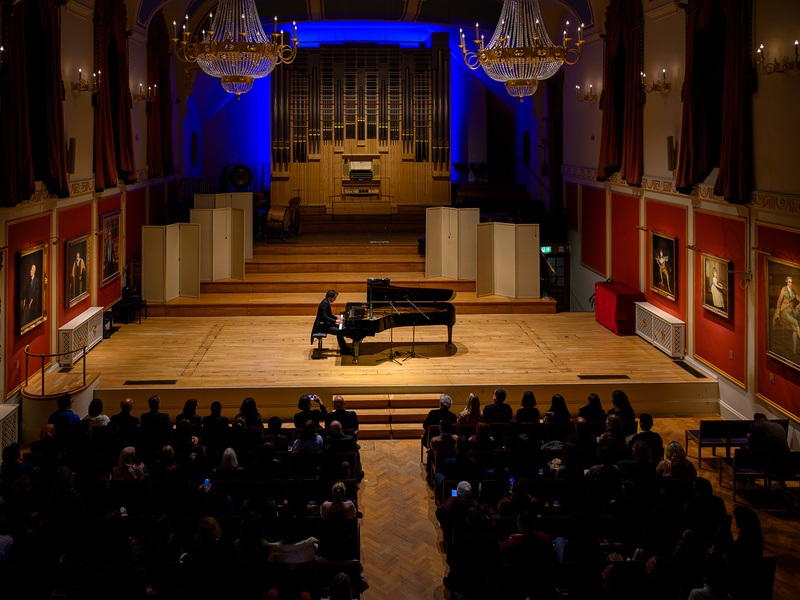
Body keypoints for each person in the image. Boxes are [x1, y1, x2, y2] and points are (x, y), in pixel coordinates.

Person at [312, 289, 352, 355]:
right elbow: (325, 317)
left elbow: (329, 315)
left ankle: (344, 348)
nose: (335, 299)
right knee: (340, 332)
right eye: (334, 298)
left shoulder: (326, 301)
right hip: (321, 326)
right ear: (330, 297)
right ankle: (344, 350)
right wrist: (336, 321)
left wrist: (337, 318)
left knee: (340, 329)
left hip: (325, 324)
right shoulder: (325, 304)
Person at [772, 275, 800, 354]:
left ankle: (794, 351)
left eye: (791, 282)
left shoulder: (793, 291)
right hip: (784, 311)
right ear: (787, 283)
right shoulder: (784, 290)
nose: (791, 283)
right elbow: (779, 301)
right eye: (789, 282)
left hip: (790, 312)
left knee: (795, 329)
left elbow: (798, 298)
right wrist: (778, 311)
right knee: (796, 322)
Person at [20, 263, 42, 327]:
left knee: (27, 318)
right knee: (24, 319)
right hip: (26, 303)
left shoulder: (36, 281)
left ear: (34, 271)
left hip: (32, 304)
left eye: (32, 270)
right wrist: (24, 300)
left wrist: (32, 300)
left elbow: (36, 292)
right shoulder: (28, 281)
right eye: (30, 269)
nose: (30, 271)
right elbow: (26, 292)